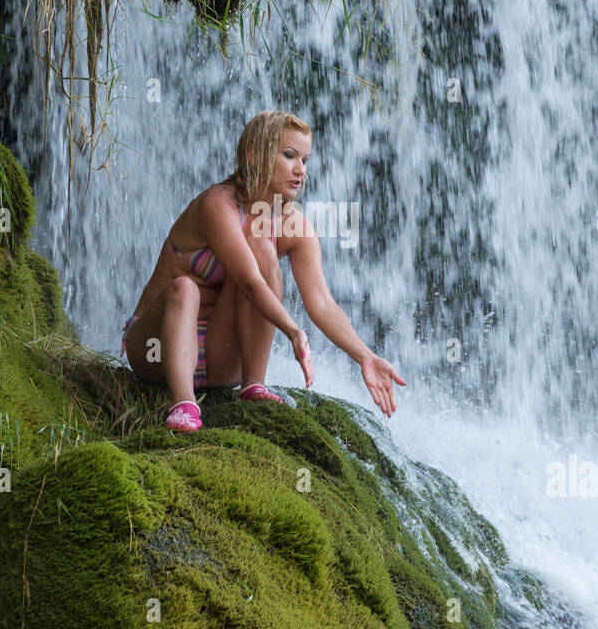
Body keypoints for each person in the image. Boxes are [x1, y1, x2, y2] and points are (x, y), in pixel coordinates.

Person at [121, 110, 407, 432]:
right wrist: (293, 330)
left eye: (305, 159)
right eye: (289, 156)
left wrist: (365, 357)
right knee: (185, 288)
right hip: (155, 350)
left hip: (219, 360)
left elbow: (323, 303)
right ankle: (183, 404)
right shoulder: (217, 204)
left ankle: (252, 384)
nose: (301, 170)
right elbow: (249, 281)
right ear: (255, 155)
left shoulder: (294, 225)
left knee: (262, 248)